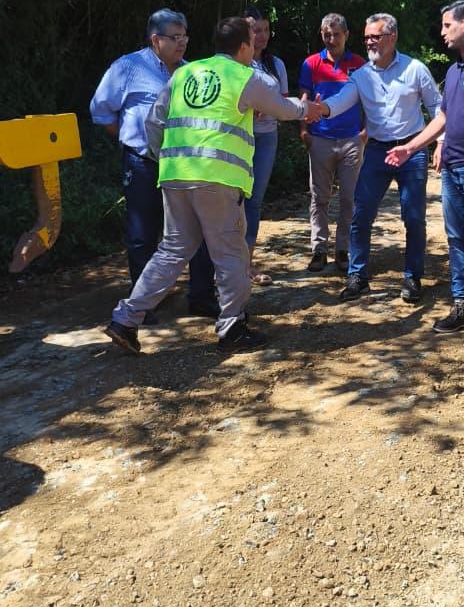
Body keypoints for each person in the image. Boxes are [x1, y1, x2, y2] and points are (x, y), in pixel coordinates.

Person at [103, 18, 323, 355]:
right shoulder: (244, 76)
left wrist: (163, 157)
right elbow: (284, 108)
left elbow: (154, 120)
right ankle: (232, 326)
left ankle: (126, 319)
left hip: (176, 175)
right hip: (217, 179)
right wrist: (314, 109)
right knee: (231, 252)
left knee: (172, 251)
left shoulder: (185, 74)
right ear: (245, 46)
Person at [385, 0, 464, 349]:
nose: (442, 33)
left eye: (446, 26)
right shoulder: (455, 70)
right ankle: (461, 304)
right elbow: (443, 119)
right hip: (452, 164)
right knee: (456, 238)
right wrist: (412, 147)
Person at [90, 9, 217, 318]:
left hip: (186, 166)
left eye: (185, 36)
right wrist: (130, 139)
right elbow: (101, 111)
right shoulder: (128, 68)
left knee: (197, 230)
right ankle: (145, 304)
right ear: (155, 39)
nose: (182, 43)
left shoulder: (192, 72)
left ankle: (201, 295)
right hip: (143, 163)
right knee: (142, 233)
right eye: (175, 37)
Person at [316, 14, 442, 303]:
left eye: (376, 36)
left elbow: (437, 106)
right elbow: (339, 103)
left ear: (393, 36)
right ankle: (358, 276)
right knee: (361, 215)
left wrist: (441, 143)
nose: (370, 42)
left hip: (412, 151)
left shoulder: (415, 69)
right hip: (376, 152)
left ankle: (412, 277)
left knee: (413, 217)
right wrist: (318, 109)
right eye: (367, 37)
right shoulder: (361, 75)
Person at [298, 14, 366, 272]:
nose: (332, 39)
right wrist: (304, 130)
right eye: (327, 34)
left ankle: (343, 249)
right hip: (320, 138)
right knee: (319, 197)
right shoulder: (311, 63)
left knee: (349, 198)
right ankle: (319, 249)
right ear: (321, 34)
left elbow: (369, 99)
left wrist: (366, 131)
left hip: (351, 139)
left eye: (337, 34)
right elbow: (304, 97)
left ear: (347, 35)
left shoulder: (360, 65)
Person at [244, 8, 289, 286]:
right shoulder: (236, 64)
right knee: (230, 201)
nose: (261, 36)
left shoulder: (276, 65)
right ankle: (224, 266)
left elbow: (283, 101)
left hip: (266, 137)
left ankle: (245, 264)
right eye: (255, 30)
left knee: (254, 201)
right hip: (237, 138)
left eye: (265, 30)